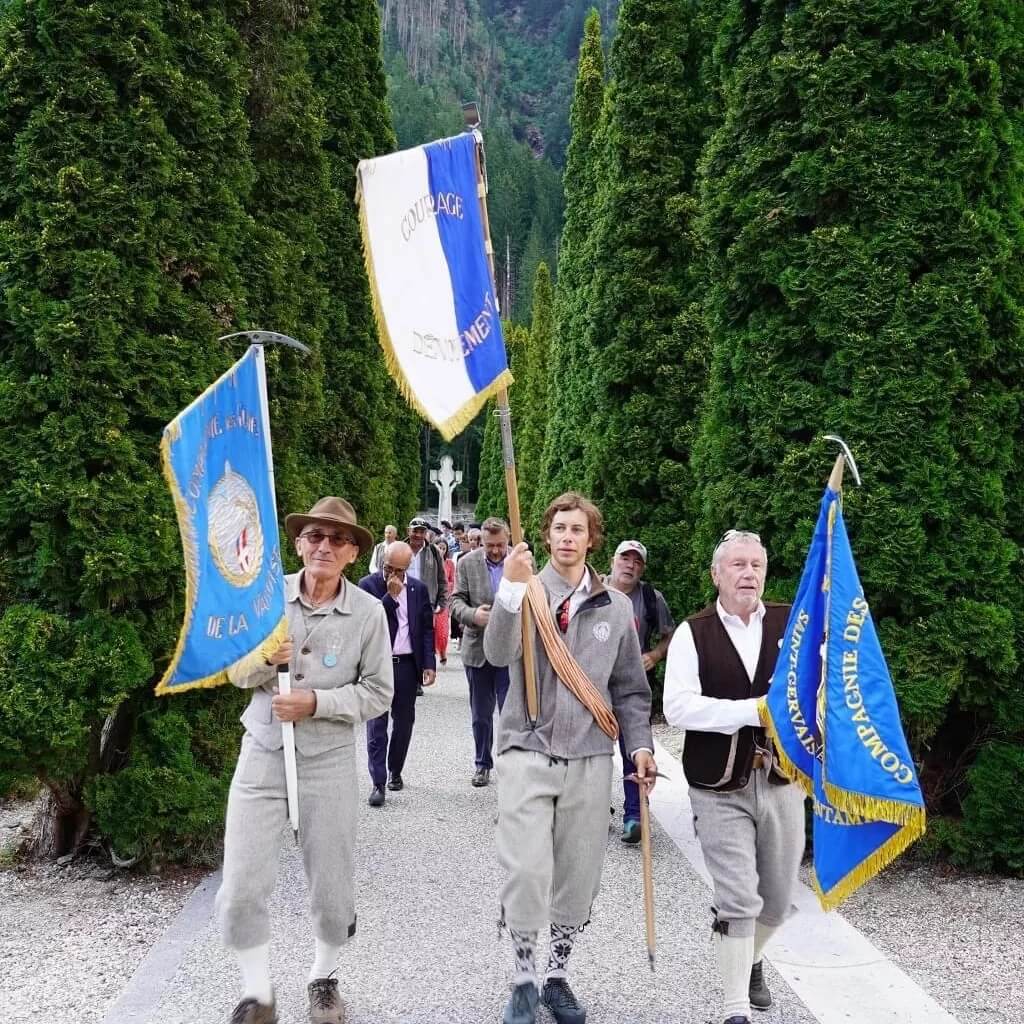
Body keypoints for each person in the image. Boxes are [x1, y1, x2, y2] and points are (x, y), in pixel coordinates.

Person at [216, 497, 393, 1024]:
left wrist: (317, 702)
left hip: (328, 760)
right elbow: (235, 674)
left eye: (337, 540)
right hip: (265, 751)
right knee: (242, 883)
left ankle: (323, 978)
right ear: (298, 544)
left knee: (332, 884)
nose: (324, 546)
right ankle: (257, 992)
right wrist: (264, 660)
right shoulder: (267, 601)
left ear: (353, 553)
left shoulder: (368, 613)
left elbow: (379, 692)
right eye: (315, 535)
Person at [484, 492, 657, 1024]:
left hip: (588, 755)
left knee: (578, 875)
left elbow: (630, 689)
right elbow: (496, 653)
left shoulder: (617, 606)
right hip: (526, 747)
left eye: (577, 529)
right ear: (546, 533)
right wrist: (511, 590)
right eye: (558, 527)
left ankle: (556, 975)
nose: (566, 537)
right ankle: (522, 976)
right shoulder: (526, 591)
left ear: (591, 538)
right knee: (526, 870)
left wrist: (640, 746)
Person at [663, 530, 804, 1024]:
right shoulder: (692, 632)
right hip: (718, 784)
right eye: (738, 565)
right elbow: (676, 706)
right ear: (716, 574)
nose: (748, 574)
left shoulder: (793, 622)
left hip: (783, 779)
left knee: (780, 898)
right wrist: (752, 710)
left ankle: (751, 958)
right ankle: (735, 1009)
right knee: (739, 898)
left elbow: (820, 683)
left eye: (756, 565)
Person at [603, 539, 676, 844]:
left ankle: (635, 814)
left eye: (637, 561)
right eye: (625, 558)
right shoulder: (592, 589)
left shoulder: (650, 598)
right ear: (613, 560)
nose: (630, 565)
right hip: (593, 683)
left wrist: (655, 655)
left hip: (632, 685)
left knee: (636, 748)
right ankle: (592, 807)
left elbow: (670, 635)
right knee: (593, 748)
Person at [359, 541, 436, 806]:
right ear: (383, 562)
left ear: (407, 568)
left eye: (399, 570)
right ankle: (377, 782)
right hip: (378, 665)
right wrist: (390, 598)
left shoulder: (418, 589)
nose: (392, 574)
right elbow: (368, 622)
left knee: (404, 723)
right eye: (389, 567)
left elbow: (426, 628)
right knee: (376, 724)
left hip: (406, 664)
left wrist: (429, 663)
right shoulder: (368, 585)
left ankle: (395, 771)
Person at [450, 517, 512, 787]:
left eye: (501, 545)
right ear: (481, 541)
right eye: (490, 546)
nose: (496, 551)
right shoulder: (466, 563)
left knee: (511, 712)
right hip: (478, 648)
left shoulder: (521, 562)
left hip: (512, 650)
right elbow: (454, 601)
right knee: (481, 713)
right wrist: (473, 614)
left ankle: (512, 766)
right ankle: (482, 763)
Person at [433, 538, 455, 666]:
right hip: (431, 599)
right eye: (439, 547)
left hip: (443, 599)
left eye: (443, 548)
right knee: (430, 628)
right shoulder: (429, 563)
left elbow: (453, 580)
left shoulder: (449, 564)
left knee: (442, 630)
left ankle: (442, 651)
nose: (441, 550)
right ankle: (431, 654)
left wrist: (446, 588)